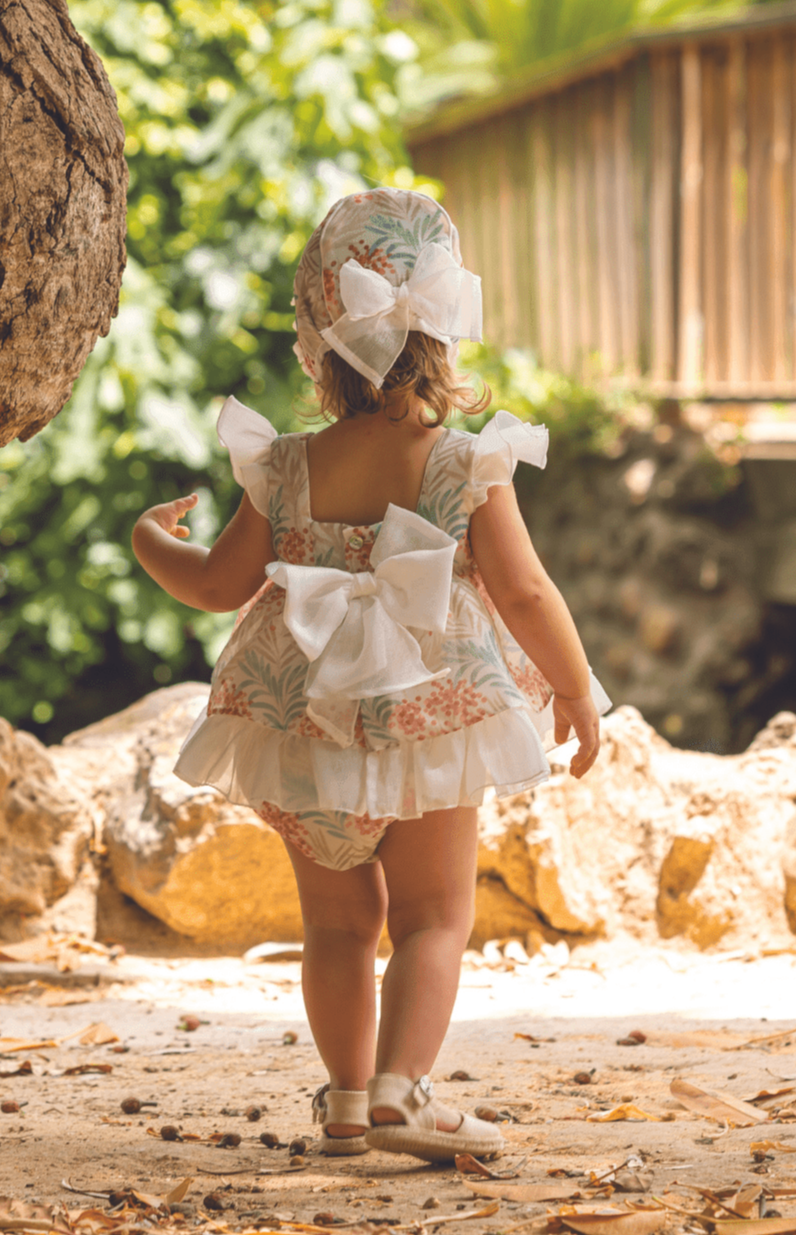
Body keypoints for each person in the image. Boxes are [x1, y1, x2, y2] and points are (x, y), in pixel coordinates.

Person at [132, 187, 609, 1163]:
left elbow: (221, 584)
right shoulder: (466, 462)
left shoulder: (288, 466)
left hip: (303, 717)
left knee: (339, 925)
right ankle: (404, 1089)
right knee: (435, 914)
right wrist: (573, 687)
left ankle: (347, 1099)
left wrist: (150, 545)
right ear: (443, 330)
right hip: (431, 710)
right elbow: (523, 592)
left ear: (321, 345)